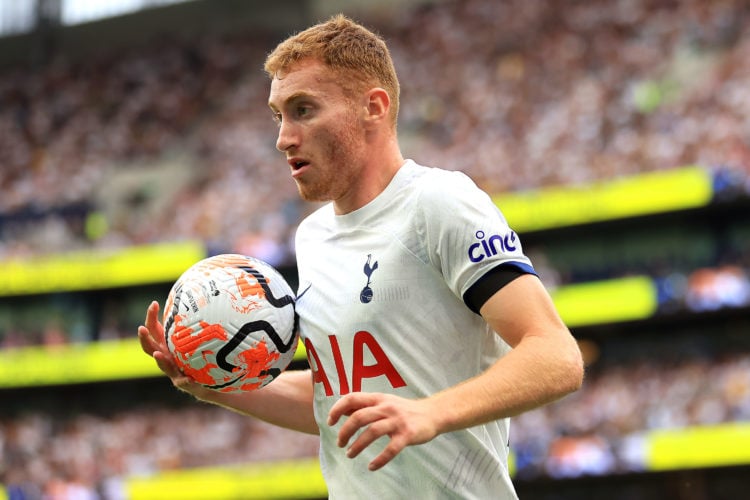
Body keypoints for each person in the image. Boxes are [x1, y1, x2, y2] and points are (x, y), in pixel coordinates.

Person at [138, 14, 584, 499]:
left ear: (373, 107)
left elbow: (556, 356)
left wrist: (429, 413)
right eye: (278, 115)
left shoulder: (438, 203)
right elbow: (335, 402)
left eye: (303, 109)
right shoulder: (311, 238)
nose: (283, 137)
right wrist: (214, 384)